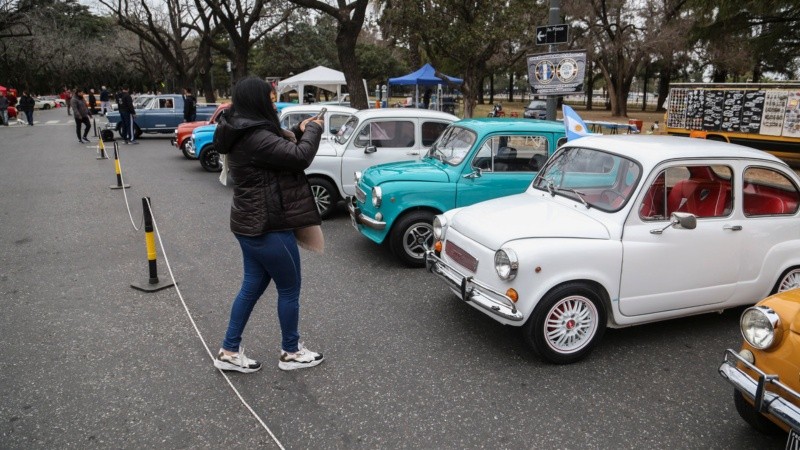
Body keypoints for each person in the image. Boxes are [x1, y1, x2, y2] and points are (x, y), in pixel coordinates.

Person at [212, 76, 325, 373]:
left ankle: (229, 350)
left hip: (249, 224)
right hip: (267, 226)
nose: (273, 101)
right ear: (258, 100)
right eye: (270, 96)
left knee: (251, 288)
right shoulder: (255, 135)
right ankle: (290, 352)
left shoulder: (240, 128)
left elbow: (274, 148)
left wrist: (297, 130)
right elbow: (300, 158)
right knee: (289, 289)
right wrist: (313, 129)